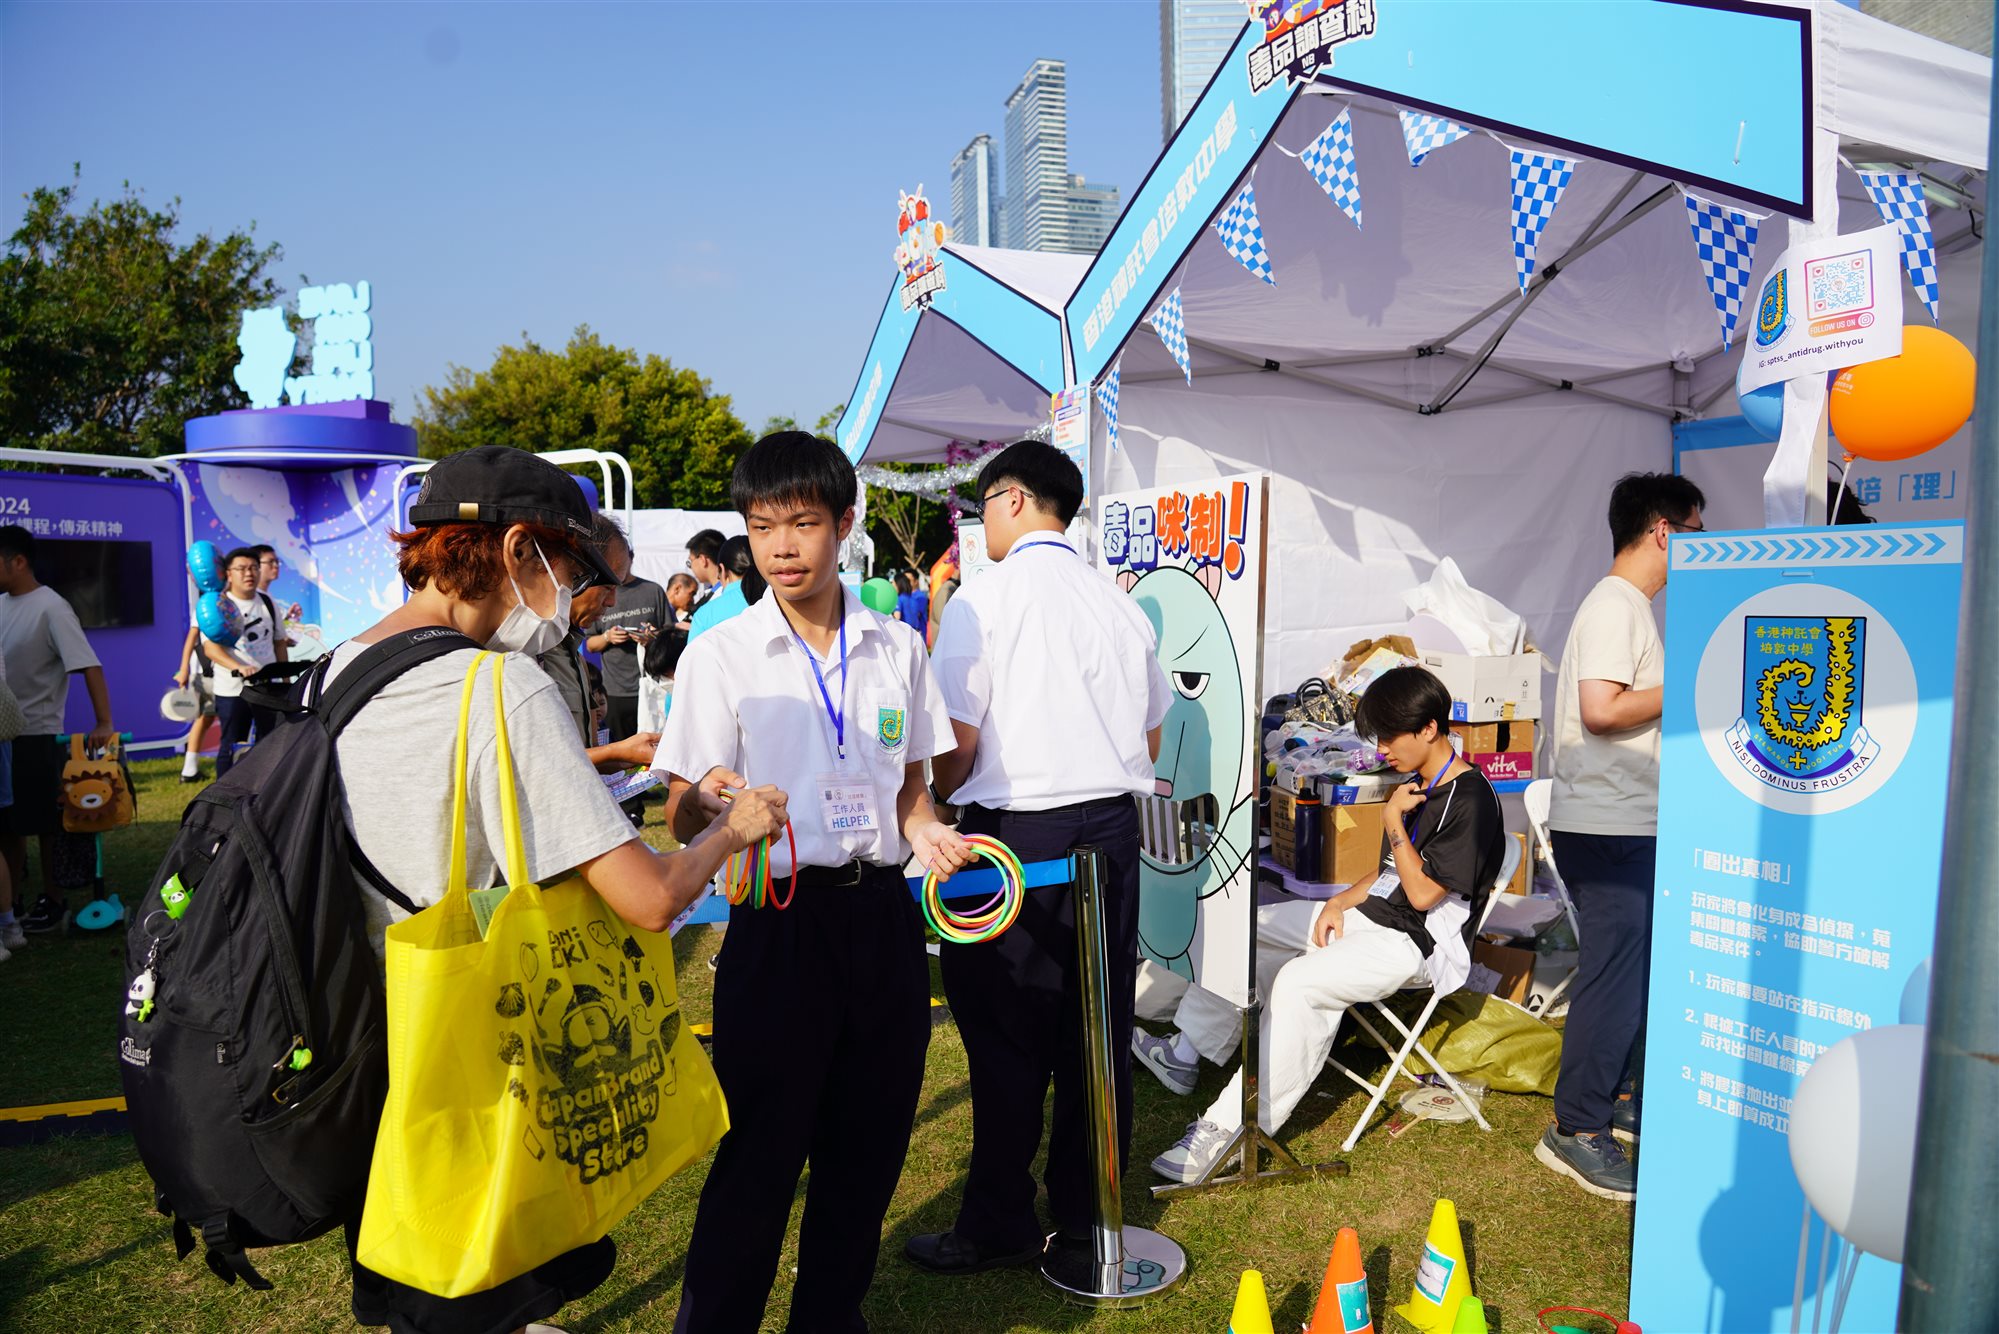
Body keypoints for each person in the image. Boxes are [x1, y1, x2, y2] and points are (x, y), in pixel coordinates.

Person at [334, 443, 785, 1333]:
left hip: (368, 1031)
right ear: (516, 552)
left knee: (418, 1275)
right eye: (570, 571)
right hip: (475, 1052)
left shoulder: (340, 664)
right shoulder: (500, 686)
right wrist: (732, 831)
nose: (574, 600)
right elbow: (650, 898)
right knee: (476, 1281)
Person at [657, 430, 972, 1332]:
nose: (782, 548)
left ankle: (829, 1317)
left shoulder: (897, 646)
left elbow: (909, 790)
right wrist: (712, 801)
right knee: (759, 1153)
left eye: (801, 523)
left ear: (843, 523)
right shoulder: (722, 653)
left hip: (881, 924)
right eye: (762, 528)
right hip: (778, 924)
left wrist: (929, 833)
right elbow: (678, 806)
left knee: (867, 1149)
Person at [910, 440, 1170, 1283]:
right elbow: (1151, 736)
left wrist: (938, 801)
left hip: (1015, 835)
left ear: (1014, 499)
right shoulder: (1119, 603)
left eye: (981, 504)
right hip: (1111, 831)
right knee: (1096, 1025)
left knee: (1005, 1032)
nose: (978, 521)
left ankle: (999, 1222)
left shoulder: (984, 599)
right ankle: (1089, 1207)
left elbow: (956, 745)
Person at [1151, 667, 1505, 1181]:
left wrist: (1391, 823)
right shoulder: (1416, 782)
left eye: (1390, 736)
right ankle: (1186, 1051)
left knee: (1300, 982)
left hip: (1416, 943)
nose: (1381, 749)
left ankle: (1229, 1131)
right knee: (1246, 930)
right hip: (1370, 916)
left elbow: (1424, 894)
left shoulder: (1471, 800)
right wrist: (1338, 902)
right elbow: (1388, 873)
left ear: (1429, 728)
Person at [1535, 471, 1705, 1202]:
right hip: (1609, 826)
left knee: (1635, 972)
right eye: (1696, 532)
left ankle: (1621, 1097)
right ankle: (1575, 1127)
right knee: (1612, 976)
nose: (1703, 546)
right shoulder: (1615, 606)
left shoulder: (1630, 608)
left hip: (1624, 820)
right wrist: (1693, 684)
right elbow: (1601, 711)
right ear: (1664, 531)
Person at [0, 524, 114, 935]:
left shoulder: (52, 607)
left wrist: (104, 722)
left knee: (45, 823)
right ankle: (11, 902)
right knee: (8, 824)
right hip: (3, 734)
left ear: (18, 562)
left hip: (38, 732)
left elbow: (89, 665)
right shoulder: (1, 604)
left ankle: (54, 899)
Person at [200, 548, 286, 779]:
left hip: (267, 687)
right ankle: (223, 792)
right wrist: (238, 667)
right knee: (231, 744)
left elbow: (279, 642)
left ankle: (264, 791)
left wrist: (286, 680)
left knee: (269, 743)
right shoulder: (217, 605)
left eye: (253, 568)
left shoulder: (267, 601)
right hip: (232, 689)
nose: (249, 573)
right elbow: (211, 649)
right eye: (241, 568)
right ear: (228, 573)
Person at [584, 520, 670, 742]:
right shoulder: (598, 592)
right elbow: (589, 644)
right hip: (615, 690)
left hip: (651, 685)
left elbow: (670, 636)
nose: (611, 598)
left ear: (630, 558)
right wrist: (608, 637)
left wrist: (653, 637)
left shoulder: (652, 590)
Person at [171, 624, 218, 784]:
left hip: (215, 672)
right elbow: (192, 635)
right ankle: (189, 770)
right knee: (204, 718)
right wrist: (184, 669)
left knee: (206, 718)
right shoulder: (203, 610)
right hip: (207, 674)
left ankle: (189, 770)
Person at [684, 534, 754, 642]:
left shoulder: (705, 614)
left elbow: (693, 652)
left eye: (690, 562)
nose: (691, 568)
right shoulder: (774, 599)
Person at [685, 528, 727, 608]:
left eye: (690, 562)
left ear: (702, 560)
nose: (691, 568)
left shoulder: (719, 597)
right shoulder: (729, 590)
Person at [894, 570, 929, 639]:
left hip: (911, 632)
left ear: (916, 581)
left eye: (908, 580)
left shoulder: (920, 596)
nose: (906, 581)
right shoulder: (911, 598)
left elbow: (898, 617)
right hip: (915, 633)